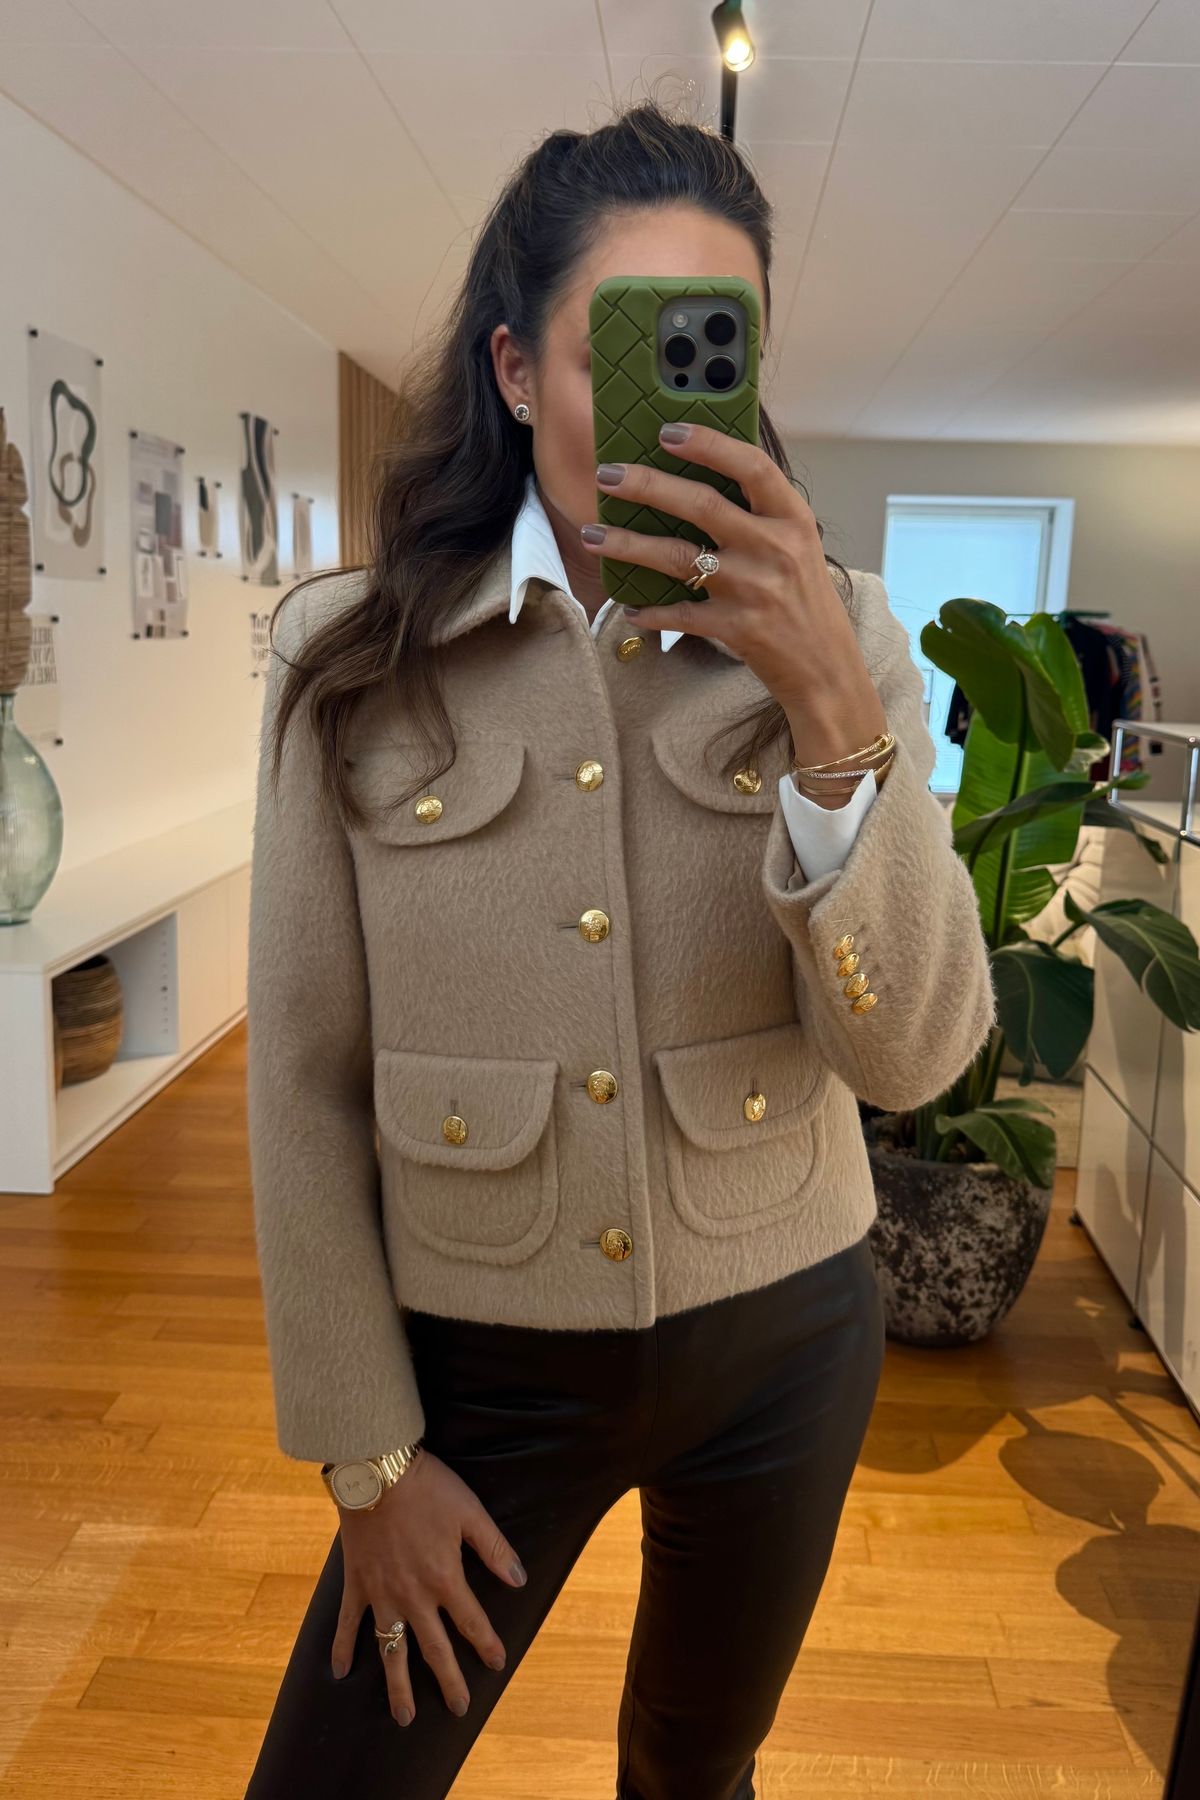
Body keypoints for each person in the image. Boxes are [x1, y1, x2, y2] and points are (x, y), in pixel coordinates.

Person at [242, 91, 996, 1800]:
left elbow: (918, 1054)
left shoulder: (844, 635)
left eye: (715, 354)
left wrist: (830, 706)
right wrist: (367, 1462)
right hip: (481, 1364)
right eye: (623, 353)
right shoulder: (349, 658)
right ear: (516, 372)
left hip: (789, 1342)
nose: (676, 411)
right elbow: (298, 1081)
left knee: (692, 1773)